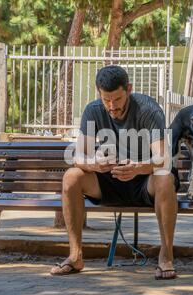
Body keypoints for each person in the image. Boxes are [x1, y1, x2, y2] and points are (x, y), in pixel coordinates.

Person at [50, 65, 180, 280]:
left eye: (117, 100)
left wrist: (138, 167)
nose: (112, 106)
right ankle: (75, 256)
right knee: (71, 176)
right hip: (108, 179)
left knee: (165, 177)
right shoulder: (93, 111)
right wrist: (94, 164)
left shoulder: (149, 110)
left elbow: (163, 158)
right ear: (98, 93)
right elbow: (78, 156)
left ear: (129, 89)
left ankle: (166, 256)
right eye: (106, 100)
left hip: (144, 180)